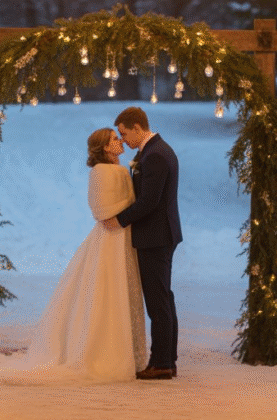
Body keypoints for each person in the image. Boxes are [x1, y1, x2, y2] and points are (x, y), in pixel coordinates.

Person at [16, 128, 146, 382]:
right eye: (114, 139)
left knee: (119, 290)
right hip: (112, 236)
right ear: (105, 147)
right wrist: (126, 212)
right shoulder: (104, 171)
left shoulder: (117, 169)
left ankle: (126, 353)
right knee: (109, 291)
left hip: (122, 235)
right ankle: (106, 353)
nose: (120, 141)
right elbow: (102, 208)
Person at [103, 107, 182, 380]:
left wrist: (119, 220)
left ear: (137, 127)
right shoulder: (153, 151)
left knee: (158, 301)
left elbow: (149, 201)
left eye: (124, 134)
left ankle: (161, 363)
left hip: (156, 237)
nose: (123, 140)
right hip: (159, 234)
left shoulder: (155, 155)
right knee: (164, 298)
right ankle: (167, 359)